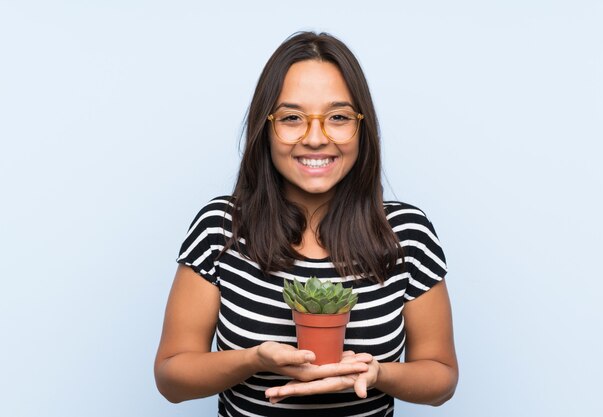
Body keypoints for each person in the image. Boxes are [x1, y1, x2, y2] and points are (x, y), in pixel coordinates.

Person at [154, 31, 458, 417]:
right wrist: (253, 360)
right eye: (292, 118)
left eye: (338, 117)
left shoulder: (407, 235)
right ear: (265, 127)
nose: (316, 138)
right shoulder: (221, 228)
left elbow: (441, 379)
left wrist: (377, 373)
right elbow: (171, 379)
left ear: (362, 127)